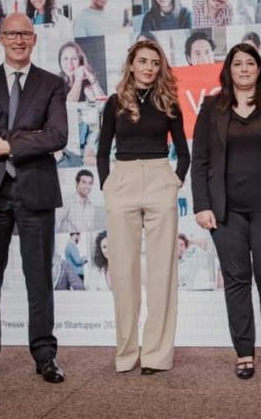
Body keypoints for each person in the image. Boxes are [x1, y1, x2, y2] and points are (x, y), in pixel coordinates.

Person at [0, 12, 69, 389]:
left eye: (25, 34)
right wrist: (30, 137)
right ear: (1, 39)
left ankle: (45, 355)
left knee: (38, 277)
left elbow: (57, 135)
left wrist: (8, 145)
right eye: (11, 34)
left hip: (35, 189)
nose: (18, 40)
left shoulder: (52, 84)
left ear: (34, 39)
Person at [192, 42, 261, 379]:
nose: (244, 69)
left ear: (259, 69)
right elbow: (200, 160)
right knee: (236, 278)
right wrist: (202, 205)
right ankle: (244, 352)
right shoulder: (211, 107)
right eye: (237, 63)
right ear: (228, 70)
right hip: (226, 211)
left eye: (250, 63)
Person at [97, 39, 189, 374]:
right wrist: (107, 185)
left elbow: (184, 152)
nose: (149, 67)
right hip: (122, 181)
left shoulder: (169, 102)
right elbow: (102, 150)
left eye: (155, 62)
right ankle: (126, 353)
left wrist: (174, 181)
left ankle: (156, 355)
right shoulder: (114, 102)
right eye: (143, 61)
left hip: (159, 179)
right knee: (123, 272)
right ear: (132, 64)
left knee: (162, 271)